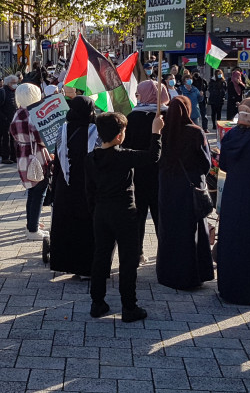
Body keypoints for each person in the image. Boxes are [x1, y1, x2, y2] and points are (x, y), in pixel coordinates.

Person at [85, 111, 163, 322]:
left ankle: (97, 302)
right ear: (120, 135)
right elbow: (153, 156)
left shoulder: (91, 158)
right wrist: (156, 132)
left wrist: (95, 211)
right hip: (124, 212)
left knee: (101, 257)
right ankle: (129, 306)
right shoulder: (123, 155)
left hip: (101, 212)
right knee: (127, 261)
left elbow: (89, 190)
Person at [217, 97, 250, 305]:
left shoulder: (230, 137)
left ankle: (228, 288)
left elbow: (223, 165)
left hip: (232, 194)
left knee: (230, 240)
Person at [157, 96, 214, 290]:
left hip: (168, 186)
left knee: (171, 229)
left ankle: (169, 272)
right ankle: (193, 274)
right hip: (191, 187)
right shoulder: (195, 132)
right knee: (192, 231)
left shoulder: (162, 131)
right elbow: (205, 163)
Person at [50, 96, 98, 276]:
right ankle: (86, 268)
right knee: (86, 227)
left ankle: (66, 264)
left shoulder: (63, 130)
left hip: (65, 185)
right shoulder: (96, 130)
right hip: (87, 186)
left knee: (66, 225)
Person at [124, 80, 167, 265]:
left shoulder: (132, 118)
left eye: (139, 94)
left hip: (138, 174)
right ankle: (165, 253)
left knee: (138, 216)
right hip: (161, 174)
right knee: (161, 215)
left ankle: (137, 253)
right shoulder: (168, 116)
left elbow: (126, 146)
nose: (137, 97)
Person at [9, 83, 51, 239]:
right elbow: (40, 137)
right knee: (39, 192)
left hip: (23, 156)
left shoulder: (17, 113)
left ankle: (32, 224)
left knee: (32, 192)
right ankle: (33, 229)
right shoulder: (33, 114)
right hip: (37, 157)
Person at [0, 75, 19, 164]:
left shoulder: (14, 92)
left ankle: (13, 156)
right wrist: (3, 117)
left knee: (13, 138)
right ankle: (5, 157)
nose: (15, 84)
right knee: (6, 139)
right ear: (8, 83)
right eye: (13, 83)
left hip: (13, 119)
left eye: (16, 82)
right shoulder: (2, 92)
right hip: (5, 120)